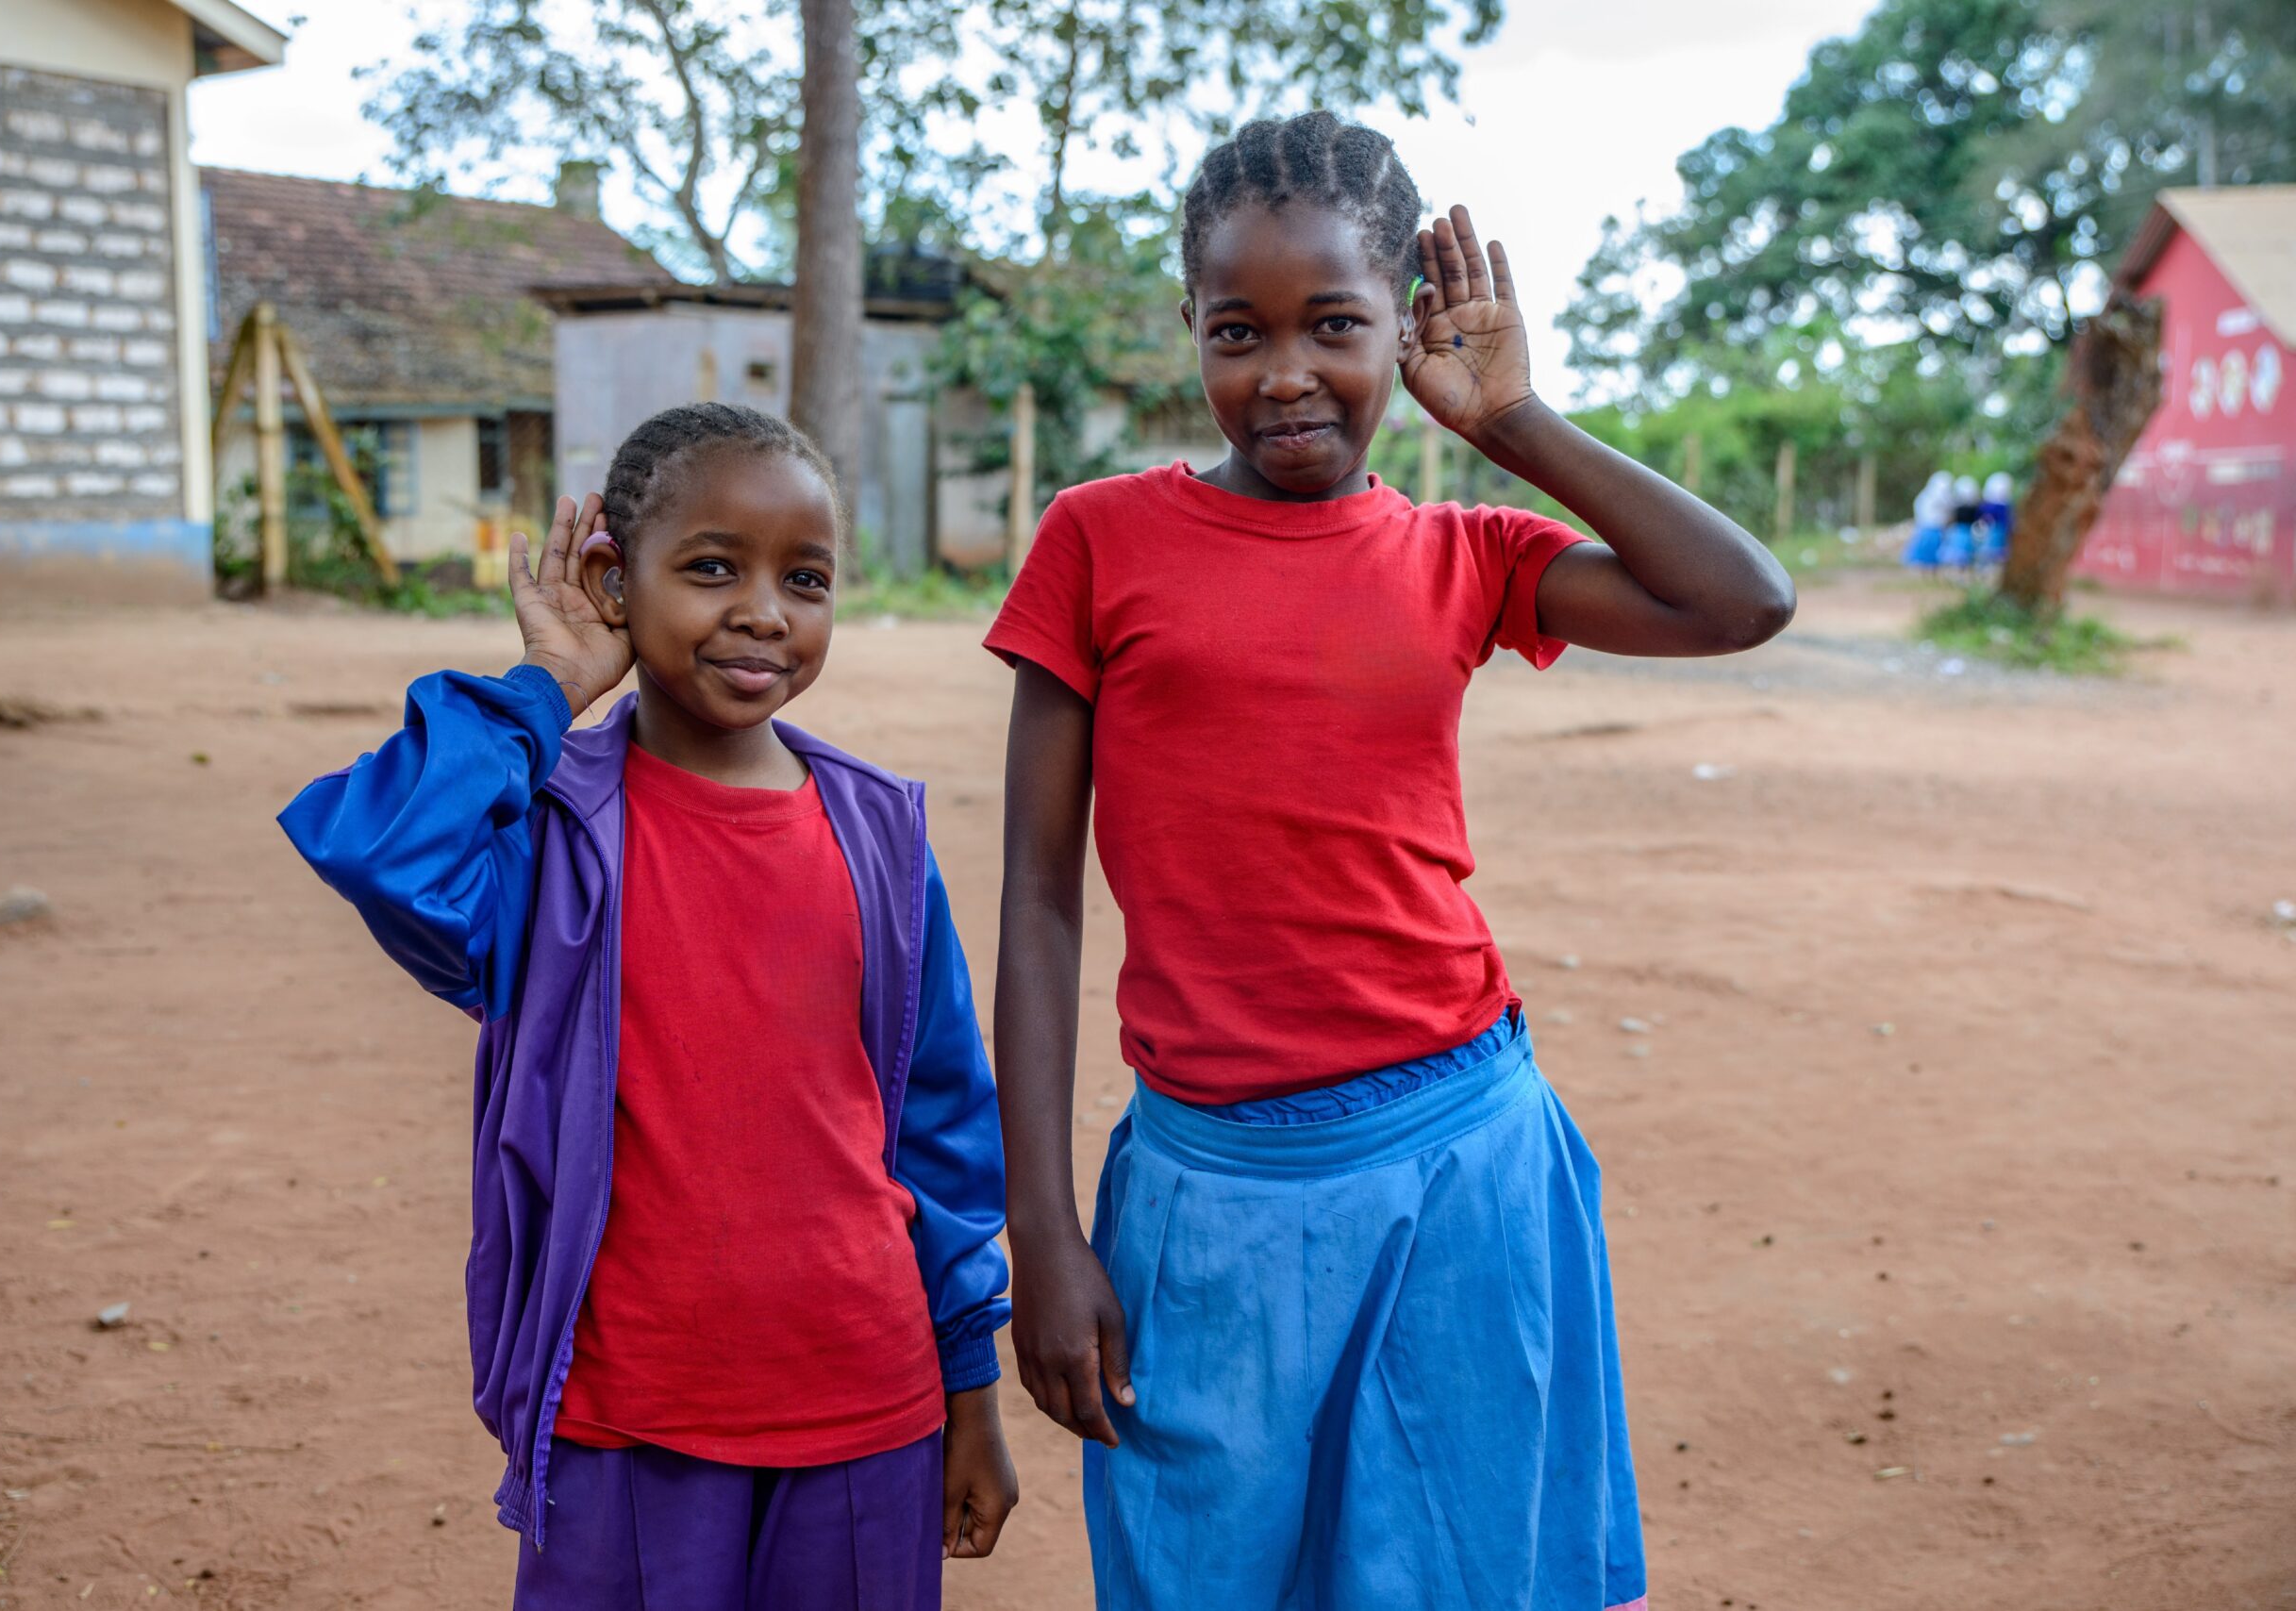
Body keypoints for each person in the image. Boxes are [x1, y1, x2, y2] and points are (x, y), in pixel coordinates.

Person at [987, 111, 1794, 1611]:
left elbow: (1742, 601)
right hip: (1204, 1192)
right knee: (1199, 1569)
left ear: (1403, 331)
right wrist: (1042, 1231)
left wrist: (1512, 423)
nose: (1285, 372)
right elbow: (1038, 899)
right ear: (1191, 332)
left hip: (1459, 1164)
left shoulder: (1467, 553)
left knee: (1462, 1572)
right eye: (1240, 331)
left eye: (1334, 326)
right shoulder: (1097, 543)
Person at [279, 404, 1018, 1611]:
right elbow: (384, 852)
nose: (765, 611)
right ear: (615, 580)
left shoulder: (879, 833)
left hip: (865, 1398)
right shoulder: (556, 828)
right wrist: (542, 692)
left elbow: (941, 1123)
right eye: (712, 567)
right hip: (628, 1408)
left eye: (807, 577)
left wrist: (967, 1385)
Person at [1907, 470, 1955, 568]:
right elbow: (1948, 505)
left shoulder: (1925, 495)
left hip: (1930, 528)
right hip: (1931, 528)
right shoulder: (1936, 495)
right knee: (1929, 550)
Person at [1940, 474, 1983, 572]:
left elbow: (1952, 519)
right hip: (1968, 533)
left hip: (1960, 533)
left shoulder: (1958, 507)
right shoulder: (1974, 507)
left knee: (1959, 554)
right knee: (1966, 555)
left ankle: (1960, 571)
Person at [1978, 471, 2015, 567]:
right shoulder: (2003, 506)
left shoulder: (1988, 505)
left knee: (1992, 554)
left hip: (1995, 533)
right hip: (1996, 533)